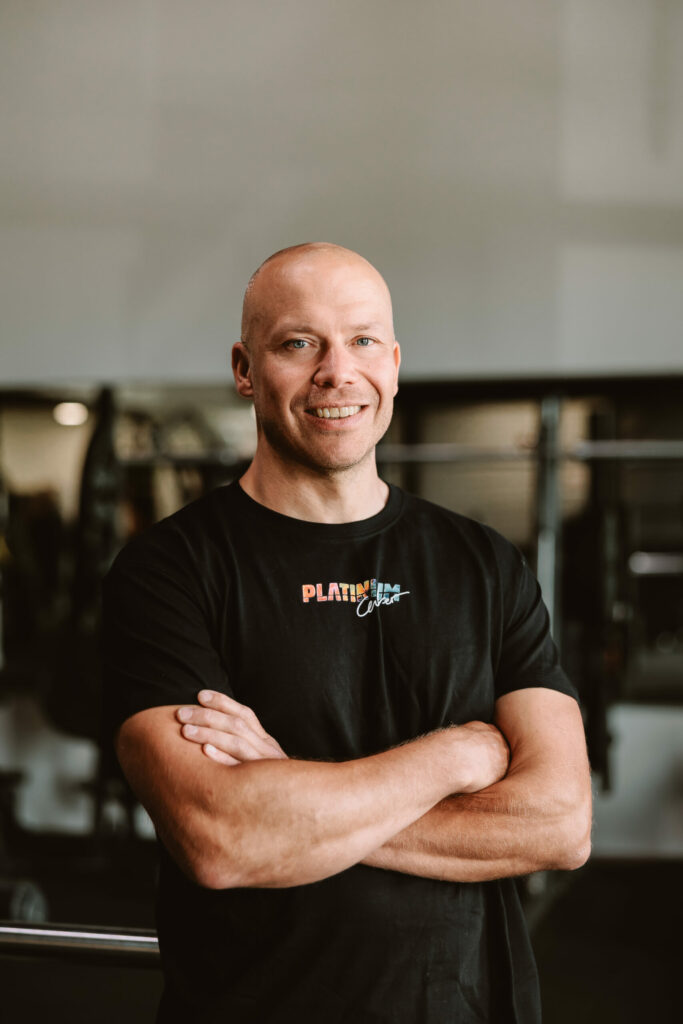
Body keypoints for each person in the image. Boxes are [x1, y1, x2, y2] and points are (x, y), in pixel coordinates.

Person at [103, 242, 592, 1023]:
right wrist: (454, 756)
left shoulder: (484, 562)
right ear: (244, 369)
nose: (337, 371)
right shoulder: (168, 570)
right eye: (299, 343)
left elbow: (559, 825)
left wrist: (286, 791)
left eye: (362, 340)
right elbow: (221, 838)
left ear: (392, 366)